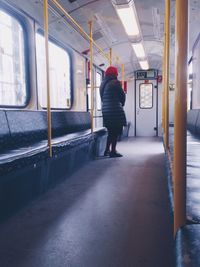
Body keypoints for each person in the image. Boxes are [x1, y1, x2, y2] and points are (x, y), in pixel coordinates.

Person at [100, 66, 127, 158]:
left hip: (106, 110)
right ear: (115, 74)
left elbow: (102, 98)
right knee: (115, 132)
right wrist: (121, 104)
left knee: (111, 132)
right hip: (115, 110)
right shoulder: (116, 83)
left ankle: (107, 150)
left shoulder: (103, 84)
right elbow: (122, 96)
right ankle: (113, 151)